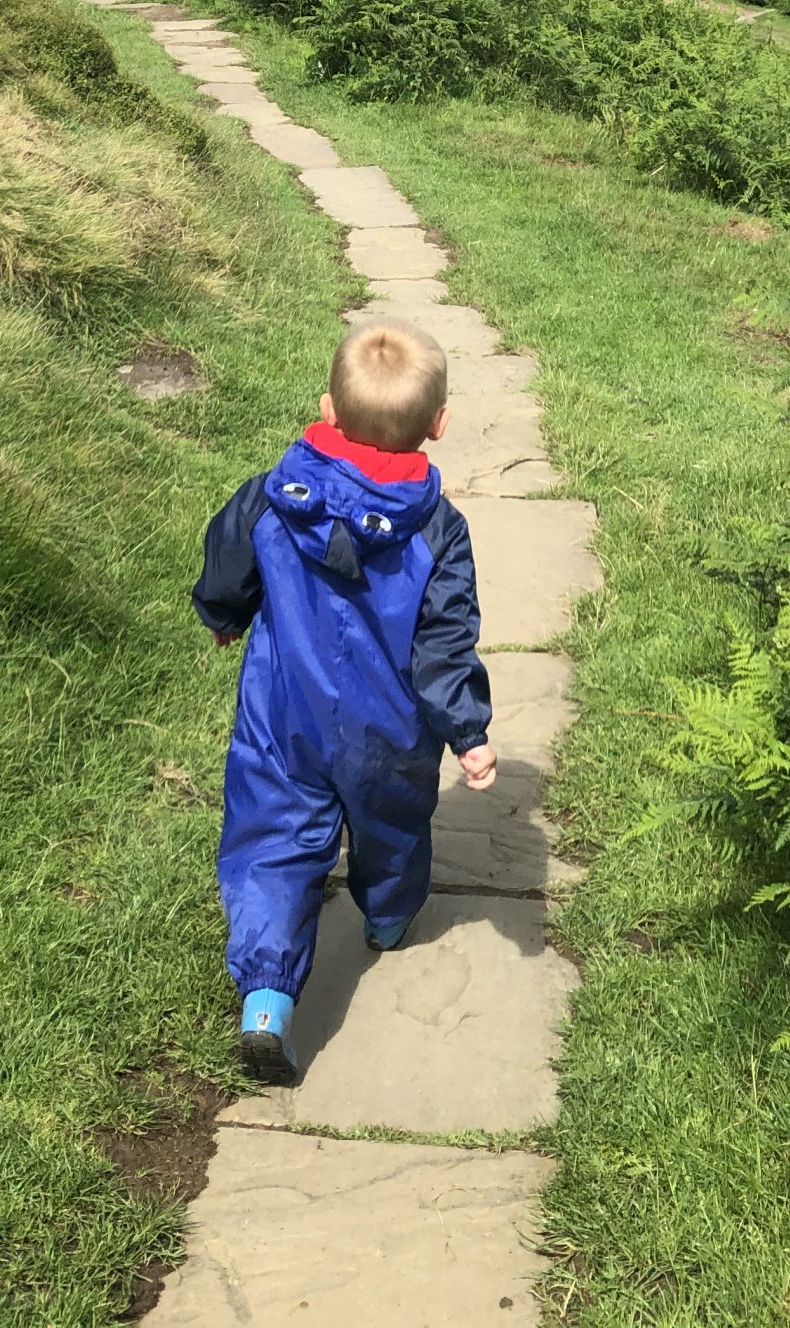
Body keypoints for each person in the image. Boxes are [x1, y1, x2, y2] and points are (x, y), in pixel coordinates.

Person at [192, 321, 495, 1084]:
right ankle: (388, 919)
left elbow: (228, 558)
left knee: (273, 843)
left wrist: (225, 616)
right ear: (439, 425)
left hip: (282, 715)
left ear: (327, 409)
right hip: (386, 730)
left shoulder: (271, 496)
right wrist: (467, 728)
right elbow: (445, 641)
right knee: (391, 826)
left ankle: (266, 1000)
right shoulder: (437, 529)